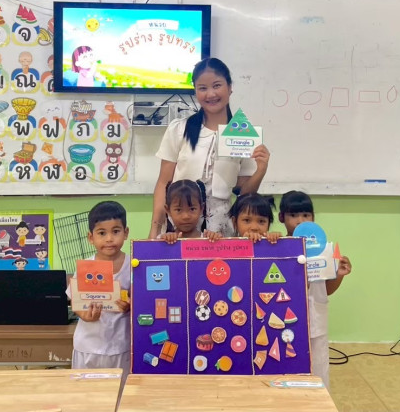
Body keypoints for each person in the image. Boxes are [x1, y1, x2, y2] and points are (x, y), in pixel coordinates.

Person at [150, 58, 270, 238]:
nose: (211, 94)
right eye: (202, 88)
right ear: (195, 91)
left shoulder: (243, 134)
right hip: (179, 229)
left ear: (230, 87)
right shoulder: (179, 129)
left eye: (217, 85)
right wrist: (154, 229)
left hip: (221, 232)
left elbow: (244, 195)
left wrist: (261, 170)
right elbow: (163, 183)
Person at [279, 190, 352, 388]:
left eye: (306, 215)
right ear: (282, 217)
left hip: (316, 321)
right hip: (285, 321)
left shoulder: (324, 251)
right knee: (287, 367)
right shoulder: (279, 248)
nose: (300, 221)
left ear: (313, 217)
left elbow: (326, 290)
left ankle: (319, 400)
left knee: (319, 369)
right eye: (293, 215)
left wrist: (339, 274)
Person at [69, 201, 131, 381]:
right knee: (87, 394)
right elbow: (76, 301)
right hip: (88, 347)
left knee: (120, 392)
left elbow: (141, 301)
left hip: (121, 346)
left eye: (116, 231)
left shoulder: (133, 265)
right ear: (91, 237)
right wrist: (85, 315)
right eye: (102, 233)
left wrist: (130, 305)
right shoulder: (85, 267)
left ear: (126, 233)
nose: (109, 239)